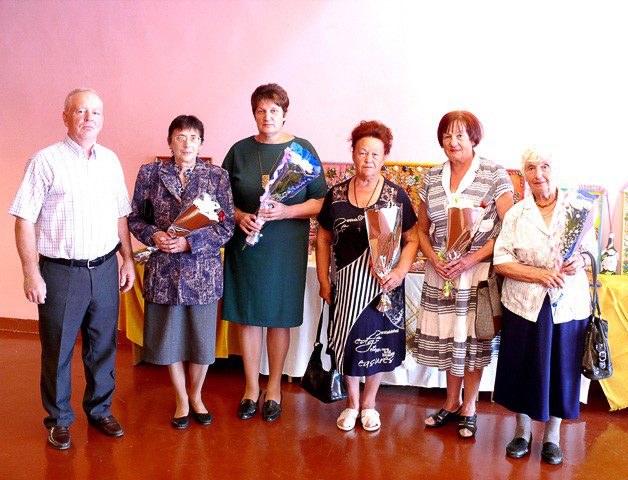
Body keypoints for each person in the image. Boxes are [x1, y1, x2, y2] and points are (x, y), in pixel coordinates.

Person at [9, 88, 135, 450]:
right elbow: (24, 219)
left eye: (95, 112)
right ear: (66, 117)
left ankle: (100, 410)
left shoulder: (110, 160)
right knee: (58, 348)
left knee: (103, 346)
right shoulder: (45, 161)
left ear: (102, 119)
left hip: (105, 268)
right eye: (80, 111)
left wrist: (127, 258)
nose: (88, 118)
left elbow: (120, 215)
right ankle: (59, 419)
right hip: (61, 272)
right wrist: (31, 272)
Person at [222, 83, 328, 422]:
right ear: (254, 114)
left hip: (285, 248)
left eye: (274, 110)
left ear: (284, 114)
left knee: (279, 317)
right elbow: (221, 200)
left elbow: (321, 202)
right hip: (246, 246)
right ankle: (251, 388)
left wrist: (287, 211)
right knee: (249, 317)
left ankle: (274, 388)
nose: (267, 116)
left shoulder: (302, 149)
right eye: (261, 110)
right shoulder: (239, 151)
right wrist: (239, 215)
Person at [128, 115, 235, 429]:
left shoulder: (216, 176)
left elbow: (226, 226)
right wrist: (154, 236)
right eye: (180, 137)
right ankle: (181, 399)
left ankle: (197, 395)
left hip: (203, 272)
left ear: (201, 143)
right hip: (164, 271)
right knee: (169, 338)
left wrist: (190, 243)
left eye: (193, 137)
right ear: (170, 142)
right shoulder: (150, 173)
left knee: (202, 342)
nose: (187, 143)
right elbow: (135, 218)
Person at [316, 120, 419, 431]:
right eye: (363, 152)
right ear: (353, 154)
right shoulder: (335, 195)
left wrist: (400, 271)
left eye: (376, 153)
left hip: (382, 287)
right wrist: (323, 280)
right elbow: (322, 238)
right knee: (347, 343)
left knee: (377, 345)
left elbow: (412, 238)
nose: (369, 159)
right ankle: (351, 403)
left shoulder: (396, 196)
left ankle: (370, 404)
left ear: (384, 157)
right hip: (346, 285)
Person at [416, 111, 514, 438]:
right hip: (441, 273)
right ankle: (450, 402)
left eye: (460, 135)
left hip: (477, 273)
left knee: (473, 341)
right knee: (449, 339)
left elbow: (509, 229)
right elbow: (421, 229)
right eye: (447, 136)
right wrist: (435, 259)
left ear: (473, 138)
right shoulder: (432, 177)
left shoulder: (494, 174)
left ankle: (469, 406)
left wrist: (471, 259)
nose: (453, 142)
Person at [492, 148, 593, 465]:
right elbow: (501, 261)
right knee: (522, 367)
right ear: (524, 174)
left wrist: (580, 260)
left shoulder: (577, 208)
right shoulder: (516, 214)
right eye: (531, 168)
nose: (538, 174)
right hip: (524, 303)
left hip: (567, 304)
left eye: (545, 166)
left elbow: (590, 251)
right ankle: (522, 432)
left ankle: (552, 437)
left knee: (562, 369)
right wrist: (539, 275)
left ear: (555, 170)